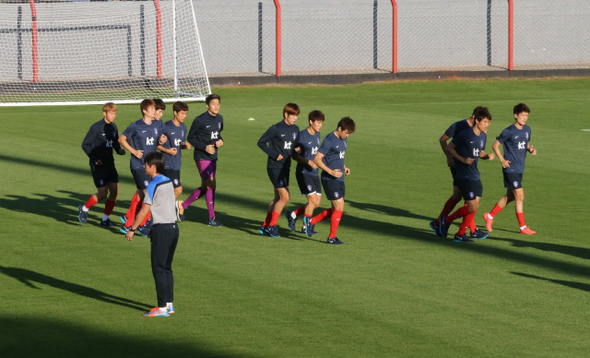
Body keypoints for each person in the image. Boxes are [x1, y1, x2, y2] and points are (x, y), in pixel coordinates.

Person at [125, 152, 179, 317]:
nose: (144, 167)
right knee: (166, 268)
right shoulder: (168, 181)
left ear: (153, 167)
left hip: (161, 230)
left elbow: (144, 210)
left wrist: (132, 228)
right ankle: (169, 304)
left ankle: (161, 307)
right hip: (173, 229)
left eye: (146, 164)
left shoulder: (153, 184)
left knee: (158, 269)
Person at [433, 108, 494, 243]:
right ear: (476, 120)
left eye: (488, 122)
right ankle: (445, 220)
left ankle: (460, 234)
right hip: (464, 174)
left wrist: (487, 156)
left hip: (475, 174)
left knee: (471, 204)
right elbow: (449, 147)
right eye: (484, 122)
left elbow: (480, 152)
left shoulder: (483, 136)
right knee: (471, 206)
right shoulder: (465, 134)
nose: (487, 125)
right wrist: (462, 160)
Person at [483, 103, 537, 235]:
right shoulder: (509, 131)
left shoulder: (527, 129)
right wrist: (502, 160)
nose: (525, 118)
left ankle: (489, 216)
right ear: (515, 115)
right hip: (510, 168)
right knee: (520, 196)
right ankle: (522, 227)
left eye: (527, 116)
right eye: (523, 115)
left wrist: (530, 149)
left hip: (519, 168)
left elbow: (525, 142)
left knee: (510, 196)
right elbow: (495, 145)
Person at [118, 99, 167, 236]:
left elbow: (157, 140)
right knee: (148, 195)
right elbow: (121, 139)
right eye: (152, 109)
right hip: (138, 166)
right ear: (144, 111)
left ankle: (128, 223)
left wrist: (161, 140)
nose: (154, 111)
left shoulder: (155, 125)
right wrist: (133, 151)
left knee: (141, 194)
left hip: (150, 167)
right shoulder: (136, 126)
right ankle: (144, 223)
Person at [304, 116, 356, 245]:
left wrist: (344, 167)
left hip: (339, 177)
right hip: (329, 178)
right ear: (339, 128)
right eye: (346, 133)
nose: (347, 136)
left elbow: (337, 156)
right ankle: (331, 238)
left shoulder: (343, 139)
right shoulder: (329, 140)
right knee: (339, 207)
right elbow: (317, 159)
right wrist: (330, 171)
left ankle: (311, 222)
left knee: (336, 209)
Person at [176, 94, 224, 226]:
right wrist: (205, 147)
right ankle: (211, 218)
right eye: (213, 104)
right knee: (211, 186)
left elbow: (218, 135)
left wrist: (221, 141)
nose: (216, 106)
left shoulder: (220, 118)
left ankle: (183, 205)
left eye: (218, 104)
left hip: (213, 157)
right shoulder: (200, 120)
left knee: (206, 187)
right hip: (202, 157)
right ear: (207, 105)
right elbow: (191, 138)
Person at [257, 103, 301, 238]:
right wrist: (274, 154)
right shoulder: (275, 129)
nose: (295, 118)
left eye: (297, 115)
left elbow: (294, 144)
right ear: (286, 115)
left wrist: (297, 148)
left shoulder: (296, 129)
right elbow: (261, 142)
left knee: (277, 198)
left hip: (285, 167)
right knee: (285, 197)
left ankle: (265, 226)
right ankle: (272, 226)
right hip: (275, 167)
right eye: (293, 115)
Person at [78, 102, 126, 226]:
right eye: (111, 113)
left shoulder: (114, 127)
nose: (113, 115)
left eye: (115, 113)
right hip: (98, 165)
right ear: (104, 113)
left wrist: (119, 150)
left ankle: (105, 219)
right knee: (103, 193)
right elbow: (85, 144)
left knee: (114, 192)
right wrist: (95, 159)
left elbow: (114, 142)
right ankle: (84, 209)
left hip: (110, 164)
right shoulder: (96, 127)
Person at [285, 110, 324, 234]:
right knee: (312, 201)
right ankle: (306, 226)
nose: (320, 125)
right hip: (304, 173)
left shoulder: (317, 135)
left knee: (316, 203)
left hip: (314, 173)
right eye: (318, 123)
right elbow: (294, 155)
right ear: (311, 122)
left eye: (321, 123)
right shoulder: (301, 136)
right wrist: (308, 162)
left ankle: (293, 215)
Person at [158, 101, 191, 202]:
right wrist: (167, 151)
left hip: (176, 164)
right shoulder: (165, 126)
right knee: (178, 189)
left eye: (186, 113)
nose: (184, 116)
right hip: (167, 163)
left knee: (166, 190)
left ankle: (157, 208)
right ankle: (162, 208)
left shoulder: (183, 127)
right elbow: (156, 144)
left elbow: (179, 143)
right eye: (182, 113)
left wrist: (184, 145)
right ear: (175, 112)